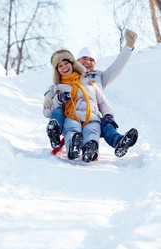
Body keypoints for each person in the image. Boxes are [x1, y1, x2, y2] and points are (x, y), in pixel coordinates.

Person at [43, 29, 138, 157]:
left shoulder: (98, 78)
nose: (88, 62)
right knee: (71, 126)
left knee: (102, 125)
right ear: (76, 61)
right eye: (84, 59)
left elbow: (117, 66)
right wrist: (49, 93)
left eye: (91, 60)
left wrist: (128, 47)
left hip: (92, 116)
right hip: (71, 115)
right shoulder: (68, 75)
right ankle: (72, 144)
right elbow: (57, 85)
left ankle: (104, 145)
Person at [44, 49, 115, 162]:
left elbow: (102, 101)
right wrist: (57, 98)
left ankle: (90, 149)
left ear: (73, 64)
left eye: (66, 63)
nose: (64, 67)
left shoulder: (89, 82)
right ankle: (72, 148)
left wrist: (108, 114)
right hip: (72, 116)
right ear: (57, 70)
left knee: (92, 131)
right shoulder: (58, 87)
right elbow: (48, 112)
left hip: (91, 117)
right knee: (72, 129)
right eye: (60, 66)